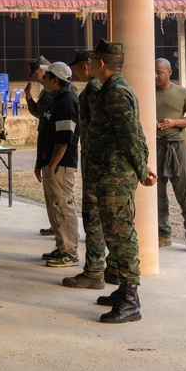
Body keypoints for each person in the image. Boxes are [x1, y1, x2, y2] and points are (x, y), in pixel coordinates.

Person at [86, 39, 157, 324]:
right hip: (108, 173)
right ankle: (122, 289)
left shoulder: (116, 92)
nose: (89, 64)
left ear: (101, 63)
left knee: (121, 234)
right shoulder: (110, 90)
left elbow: (131, 135)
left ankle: (131, 300)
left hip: (116, 175)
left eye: (92, 60)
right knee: (115, 233)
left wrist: (142, 170)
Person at [60, 49, 113, 290]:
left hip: (96, 161)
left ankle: (94, 271)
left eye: (78, 68)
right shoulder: (101, 88)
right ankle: (108, 268)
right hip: (97, 159)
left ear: (86, 66)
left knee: (93, 219)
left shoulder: (93, 88)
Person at [33, 62, 81, 268]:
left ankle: (70, 252)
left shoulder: (67, 102)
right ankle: (62, 246)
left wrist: (52, 164)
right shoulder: (55, 100)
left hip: (60, 165)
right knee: (54, 207)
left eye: (46, 76)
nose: (42, 79)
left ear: (55, 80)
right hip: (50, 162)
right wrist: (40, 162)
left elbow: (64, 139)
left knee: (63, 206)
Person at [154, 58, 186, 253]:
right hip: (154, 146)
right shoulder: (145, 92)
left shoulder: (183, 93)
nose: (155, 76)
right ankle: (162, 234)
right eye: (153, 72)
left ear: (169, 73)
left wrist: (174, 122)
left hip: (176, 146)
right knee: (156, 194)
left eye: (159, 72)